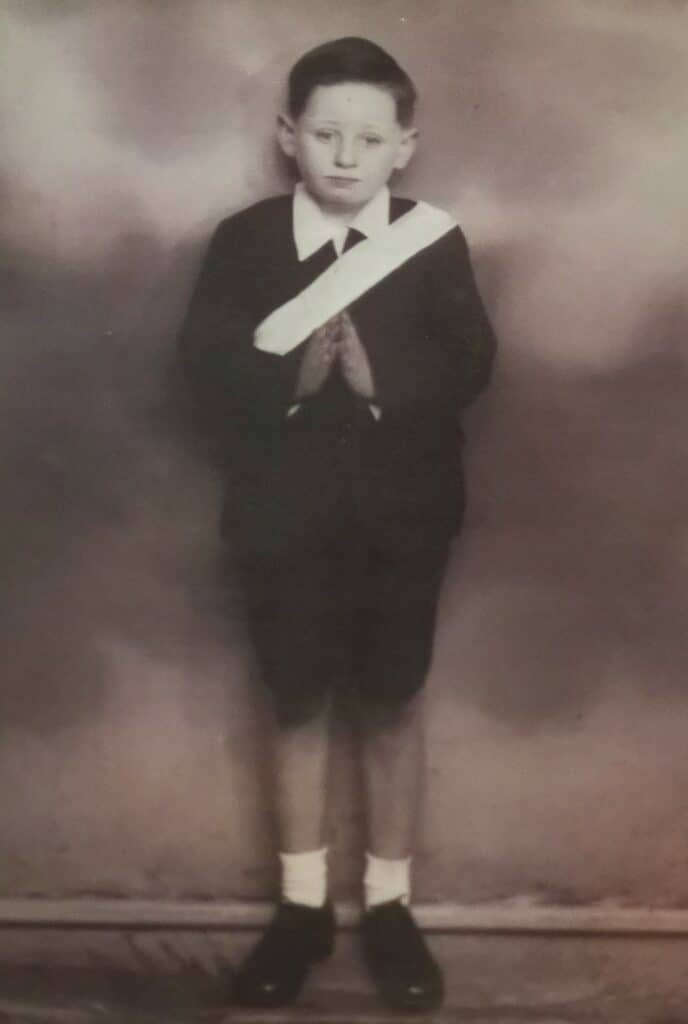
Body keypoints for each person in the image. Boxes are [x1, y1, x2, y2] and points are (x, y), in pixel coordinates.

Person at [177, 36, 496, 1013]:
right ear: (289, 137)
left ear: (405, 146)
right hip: (283, 521)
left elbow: (472, 361)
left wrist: (377, 384)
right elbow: (202, 358)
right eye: (324, 134)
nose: (345, 156)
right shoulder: (245, 241)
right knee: (297, 701)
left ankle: (389, 904)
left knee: (393, 701)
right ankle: (303, 905)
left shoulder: (431, 242)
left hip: (403, 518)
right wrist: (293, 379)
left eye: (369, 137)